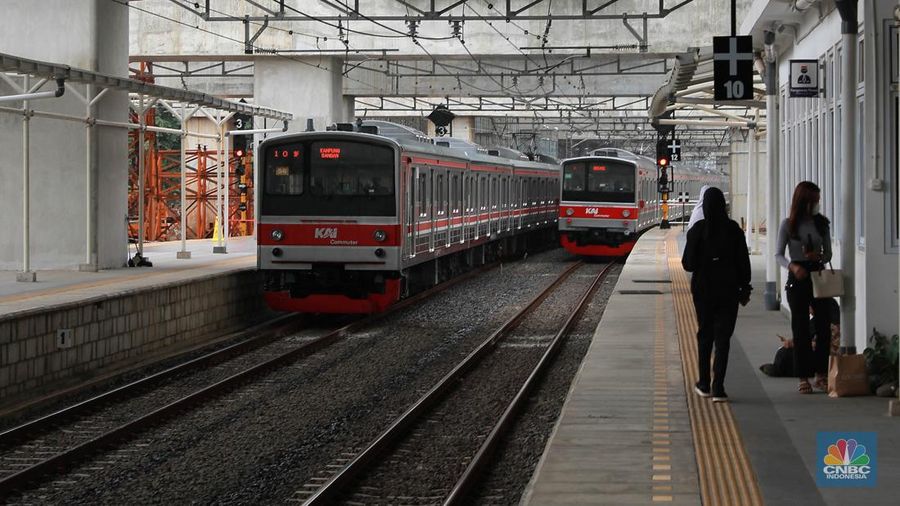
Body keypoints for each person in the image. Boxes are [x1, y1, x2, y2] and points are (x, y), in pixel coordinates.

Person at [682, 187, 752, 402]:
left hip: (703, 290)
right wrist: (744, 287)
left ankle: (703, 384)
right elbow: (744, 266)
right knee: (723, 339)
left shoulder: (697, 230)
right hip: (729, 291)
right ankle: (718, 388)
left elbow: (688, 264)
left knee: (705, 335)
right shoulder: (734, 230)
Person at [775, 181, 833, 394]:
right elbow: (778, 254)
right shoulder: (788, 224)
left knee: (823, 327)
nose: (817, 204)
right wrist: (793, 266)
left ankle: (821, 374)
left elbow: (828, 254)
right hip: (797, 277)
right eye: (814, 201)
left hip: (818, 274)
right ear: (803, 202)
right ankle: (803, 376)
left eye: (818, 200)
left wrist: (818, 256)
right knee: (800, 328)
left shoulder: (822, 224)